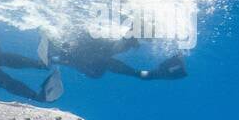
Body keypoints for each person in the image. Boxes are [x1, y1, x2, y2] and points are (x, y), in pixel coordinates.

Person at [51, 31, 187, 82]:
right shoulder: (97, 63)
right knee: (99, 66)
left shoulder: (97, 57)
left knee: (100, 64)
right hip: (85, 52)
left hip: (84, 49)